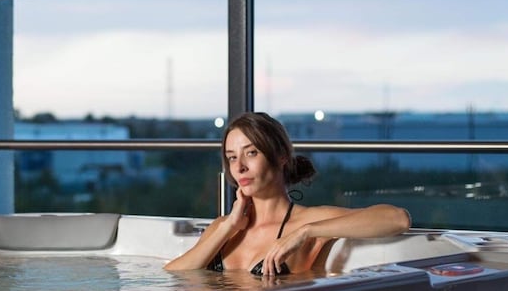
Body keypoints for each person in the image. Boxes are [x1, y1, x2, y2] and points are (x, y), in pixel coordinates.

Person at [165, 112, 411, 277]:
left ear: (281, 156)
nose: (239, 167)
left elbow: (397, 219)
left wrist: (305, 233)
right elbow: (174, 278)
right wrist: (229, 226)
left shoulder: (308, 222)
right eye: (232, 157)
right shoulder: (223, 227)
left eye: (251, 153)